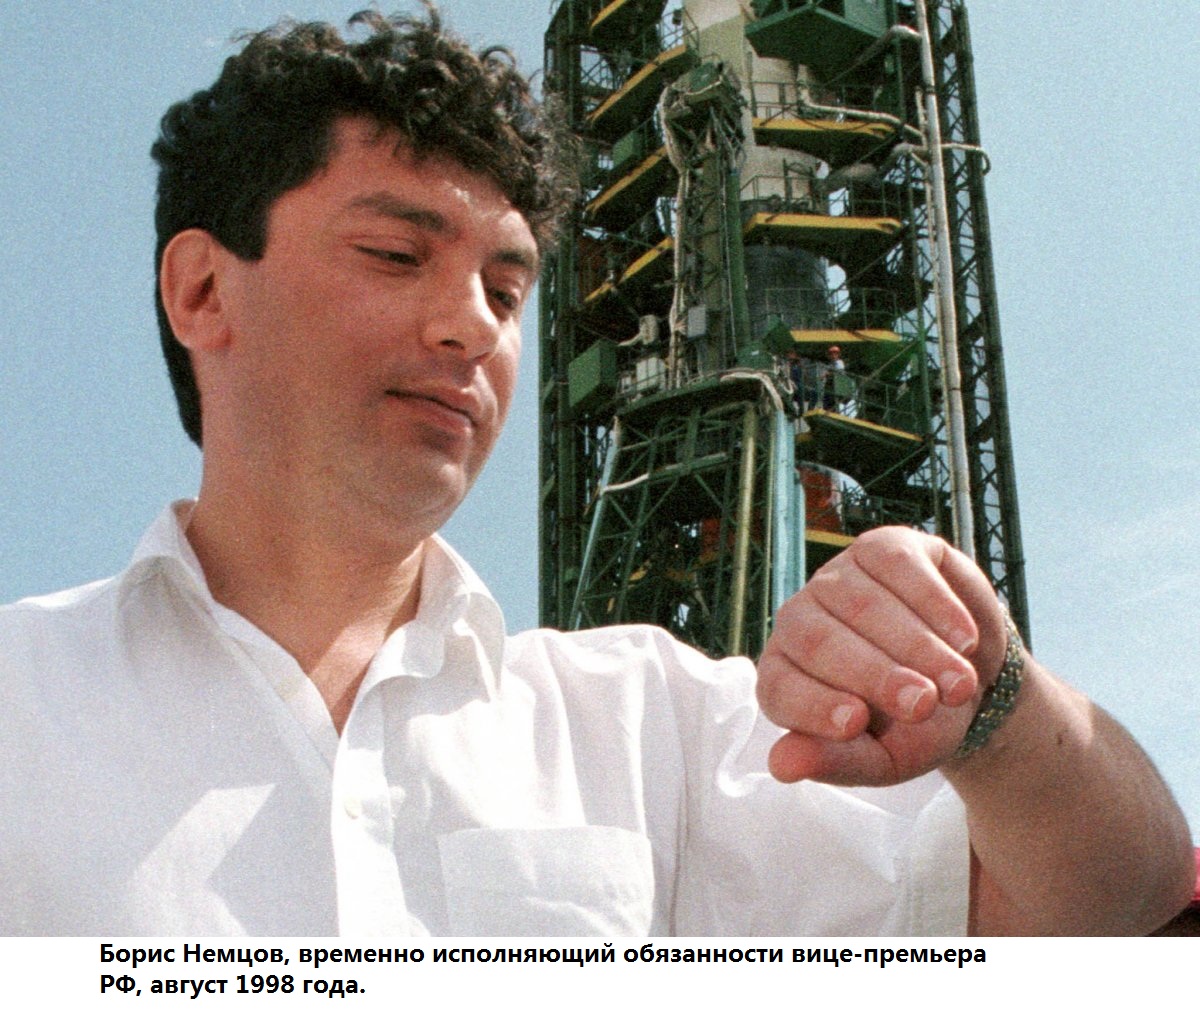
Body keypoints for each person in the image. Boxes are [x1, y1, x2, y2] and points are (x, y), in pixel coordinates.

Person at [0, 9, 1192, 940]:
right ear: (203, 289)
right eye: (395, 253)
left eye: (507, 289)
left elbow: (1119, 906)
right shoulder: (25, 703)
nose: (473, 326)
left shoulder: (648, 726)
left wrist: (997, 704)